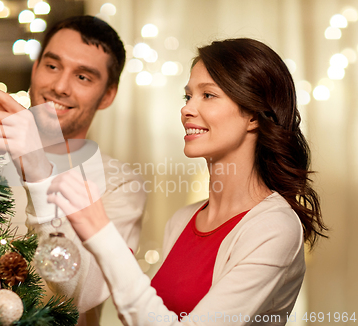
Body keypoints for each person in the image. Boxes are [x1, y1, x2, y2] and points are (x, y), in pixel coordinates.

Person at [47, 38, 327, 325]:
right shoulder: (181, 220)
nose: (187, 109)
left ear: (253, 115)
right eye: (188, 96)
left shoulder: (274, 228)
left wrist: (100, 232)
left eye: (208, 95)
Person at [0, 16, 146, 325]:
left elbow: (81, 297)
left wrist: (38, 171)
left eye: (83, 77)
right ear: (35, 68)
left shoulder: (121, 184)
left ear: (108, 94)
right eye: (52, 66)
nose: (59, 86)